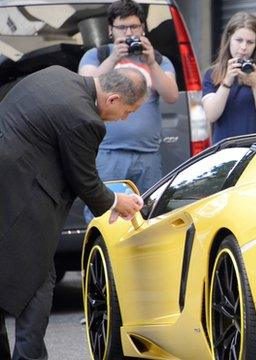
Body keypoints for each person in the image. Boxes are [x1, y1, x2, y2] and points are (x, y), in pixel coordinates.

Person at [0, 65, 146, 360]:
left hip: (9, 188)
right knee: (38, 283)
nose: (125, 119)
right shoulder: (85, 120)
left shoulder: (55, 74)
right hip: (24, 204)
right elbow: (85, 181)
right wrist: (117, 202)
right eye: (129, 112)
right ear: (114, 99)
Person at [78, 0, 179, 196]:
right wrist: (113, 58)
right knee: (105, 215)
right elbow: (84, 89)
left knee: (147, 216)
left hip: (149, 155)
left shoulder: (158, 60)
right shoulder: (97, 55)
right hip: (107, 153)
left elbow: (172, 95)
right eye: (121, 27)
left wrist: (150, 62)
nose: (128, 33)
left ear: (143, 28)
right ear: (110, 30)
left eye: (134, 26)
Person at [202, 11, 256, 143]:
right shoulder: (212, 74)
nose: (244, 47)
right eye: (239, 40)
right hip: (226, 152)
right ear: (229, 39)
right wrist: (226, 82)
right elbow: (211, 115)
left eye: (250, 42)